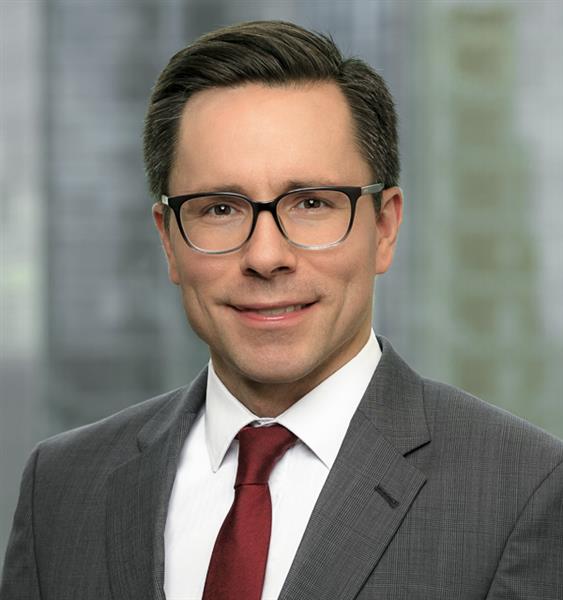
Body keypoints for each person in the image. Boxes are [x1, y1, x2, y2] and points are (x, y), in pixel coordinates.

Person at [2, 20, 562, 600]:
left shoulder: (525, 491)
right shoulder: (60, 489)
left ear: (384, 228)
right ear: (168, 241)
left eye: (312, 203)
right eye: (220, 209)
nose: (266, 256)